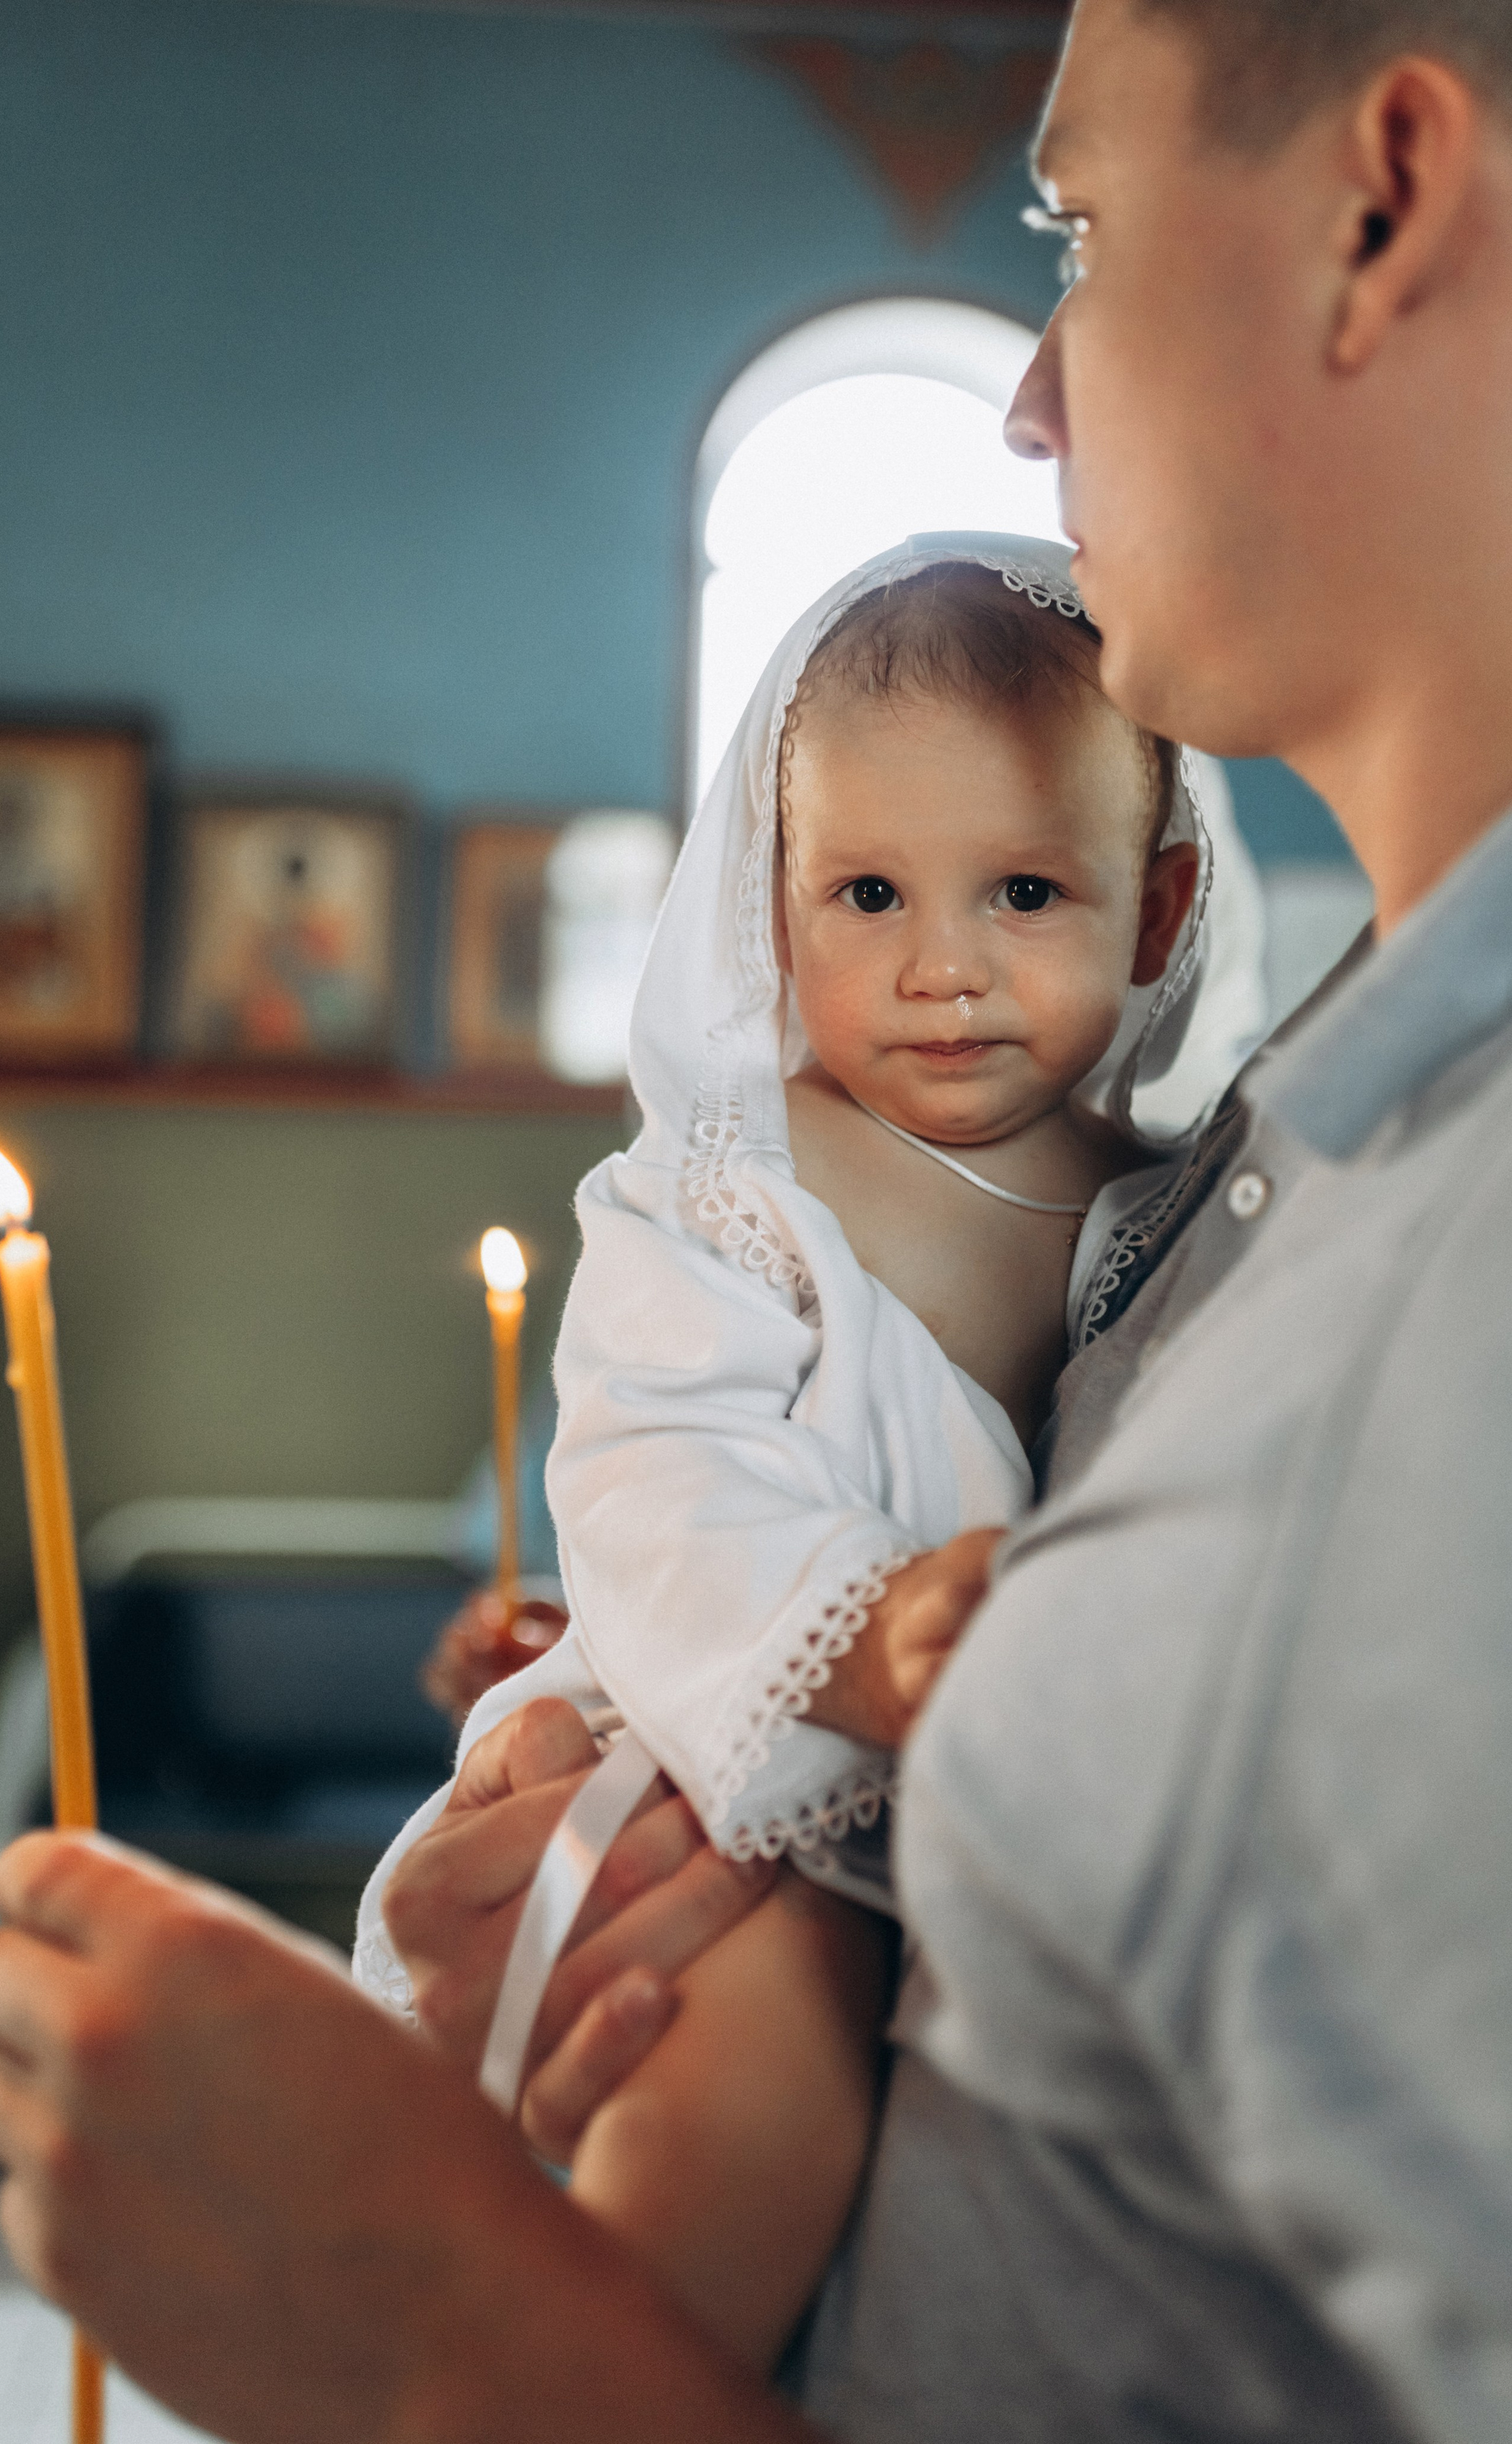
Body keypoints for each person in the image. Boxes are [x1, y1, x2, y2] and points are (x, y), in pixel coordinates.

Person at [0, 3, 1512, 2438]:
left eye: (1080, 228)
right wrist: (698, 1663)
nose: (1027, 398)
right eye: (868, 888)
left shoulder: (1426, 1258)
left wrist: (420, 2323)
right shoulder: (1284, 1138)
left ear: (1384, 200)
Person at [354, 540, 1211, 2368]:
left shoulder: (1175, 1198)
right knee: (756, 2041)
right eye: (871, 892)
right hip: (737, 1737)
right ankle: (605, 2387)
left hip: (1022, 1811)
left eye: (1028, 892)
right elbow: (653, 1472)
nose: (942, 968)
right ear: (775, 903)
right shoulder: (738, 1193)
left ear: (1157, 911)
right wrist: (868, 1627)